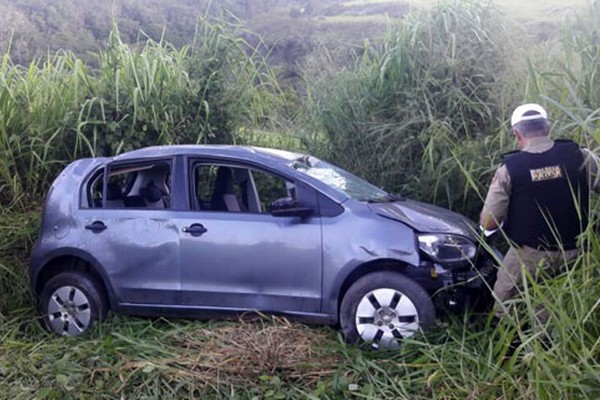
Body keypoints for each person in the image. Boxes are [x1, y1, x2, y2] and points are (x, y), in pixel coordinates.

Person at [479, 103, 599, 319]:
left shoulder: (509, 169)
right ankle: (550, 335)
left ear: (517, 134)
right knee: (560, 299)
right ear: (548, 128)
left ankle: (509, 341)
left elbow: (489, 222)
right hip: (578, 250)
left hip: (529, 254)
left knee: (504, 300)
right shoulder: (581, 156)